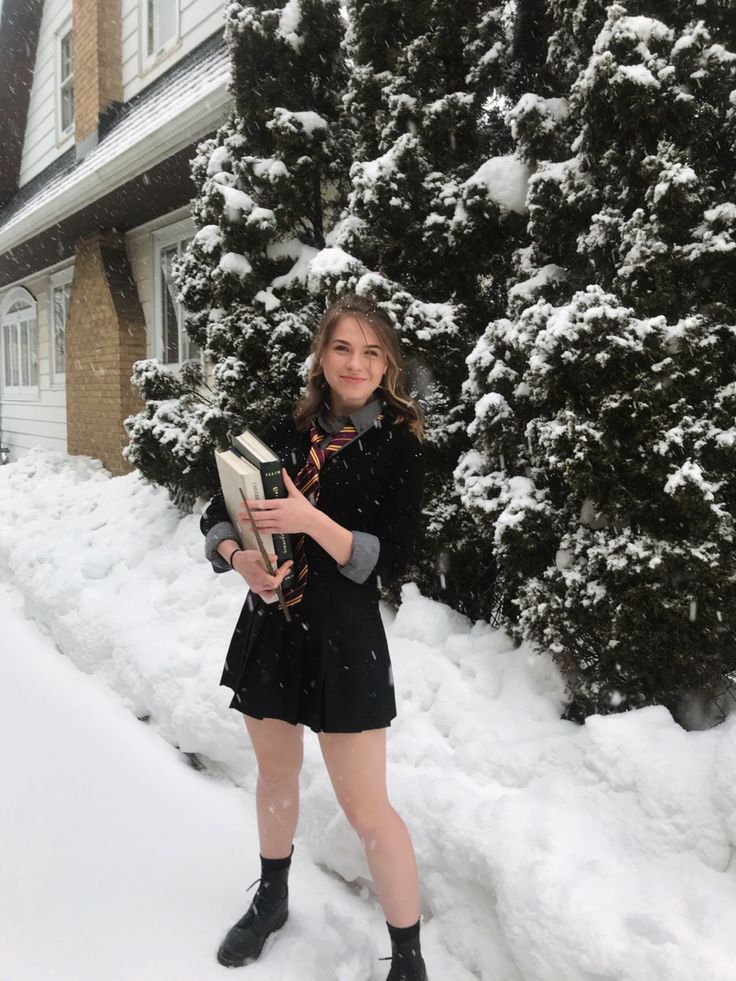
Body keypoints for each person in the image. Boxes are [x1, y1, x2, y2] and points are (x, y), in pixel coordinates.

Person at [200, 294, 428, 980]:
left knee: (368, 809)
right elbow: (220, 509)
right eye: (341, 348)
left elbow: (387, 561)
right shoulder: (282, 426)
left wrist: (308, 515)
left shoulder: (398, 445)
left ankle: (410, 957)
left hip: (345, 636)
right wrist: (239, 560)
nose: (355, 363)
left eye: (370, 351)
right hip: (272, 625)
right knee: (273, 773)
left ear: (386, 363)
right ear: (321, 356)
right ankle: (271, 896)